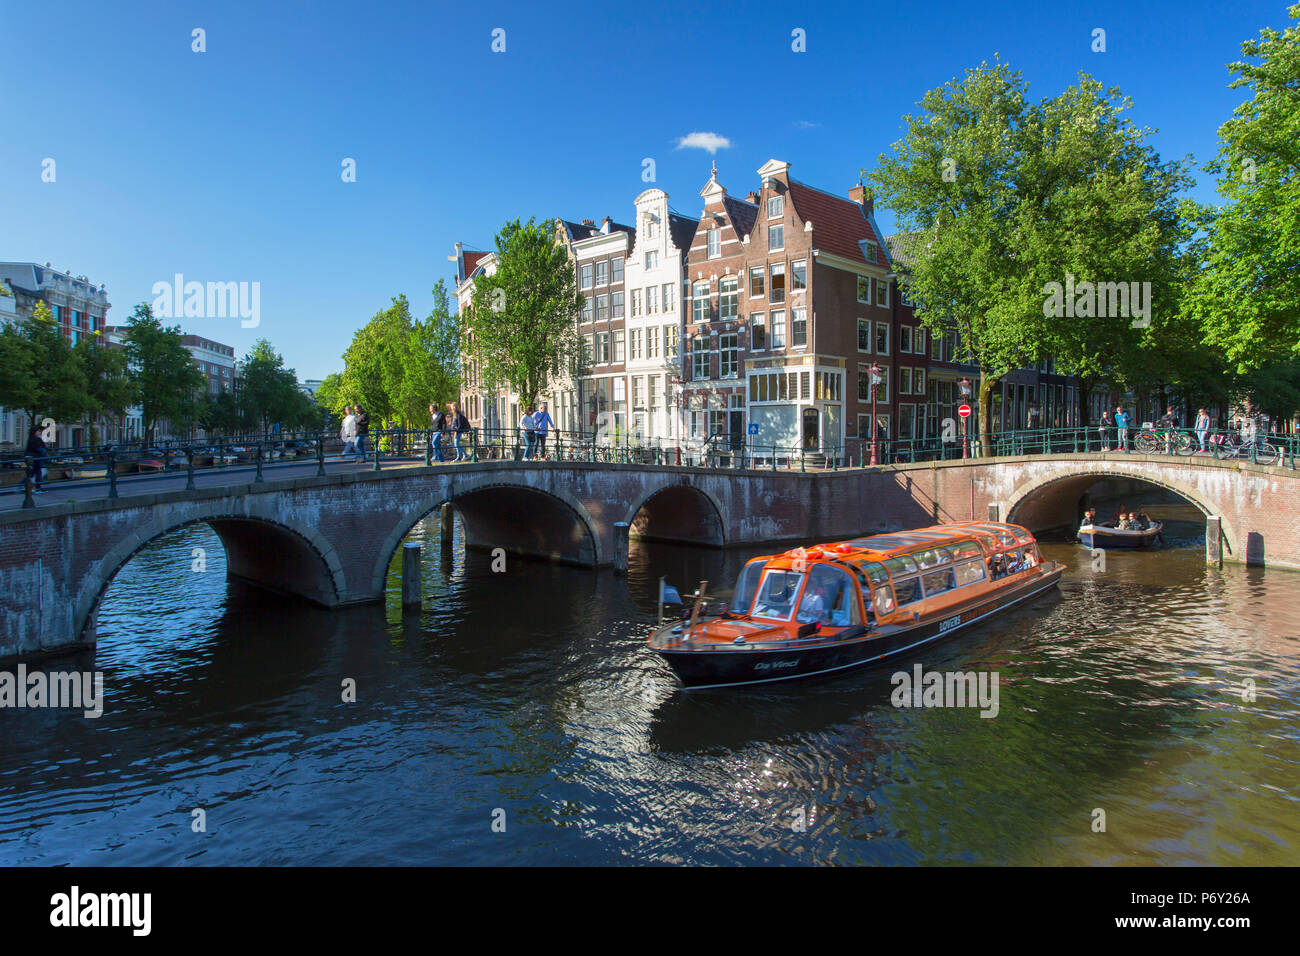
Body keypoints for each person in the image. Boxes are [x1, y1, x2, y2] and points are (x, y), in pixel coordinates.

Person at [25, 425, 48, 494]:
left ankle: (32, 487)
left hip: (32, 458)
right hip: (35, 458)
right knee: (37, 472)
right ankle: (37, 488)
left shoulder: (31, 439)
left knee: (33, 473)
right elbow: (41, 449)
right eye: (38, 431)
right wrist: (46, 458)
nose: (39, 432)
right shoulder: (36, 439)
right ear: (35, 432)